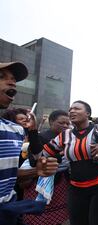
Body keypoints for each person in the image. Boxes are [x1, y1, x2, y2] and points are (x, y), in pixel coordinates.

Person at [42, 101, 98, 225]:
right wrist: (32, 132)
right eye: (70, 109)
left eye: (77, 109)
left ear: (87, 114)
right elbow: (44, 153)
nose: (72, 111)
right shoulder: (65, 135)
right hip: (76, 187)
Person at [0, 61, 58, 225]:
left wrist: (35, 170)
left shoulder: (14, 131)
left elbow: (9, 174)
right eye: (1, 77)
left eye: (13, 79)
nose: (12, 82)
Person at [23, 109, 70, 225]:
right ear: (51, 122)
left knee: (58, 217)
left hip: (60, 183)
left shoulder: (69, 139)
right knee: (37, 217)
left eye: (67, 123)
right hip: (39, 183)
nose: (65, 126)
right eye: (61, 123)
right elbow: (35, 160)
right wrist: (59, 156)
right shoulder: (41, 137)